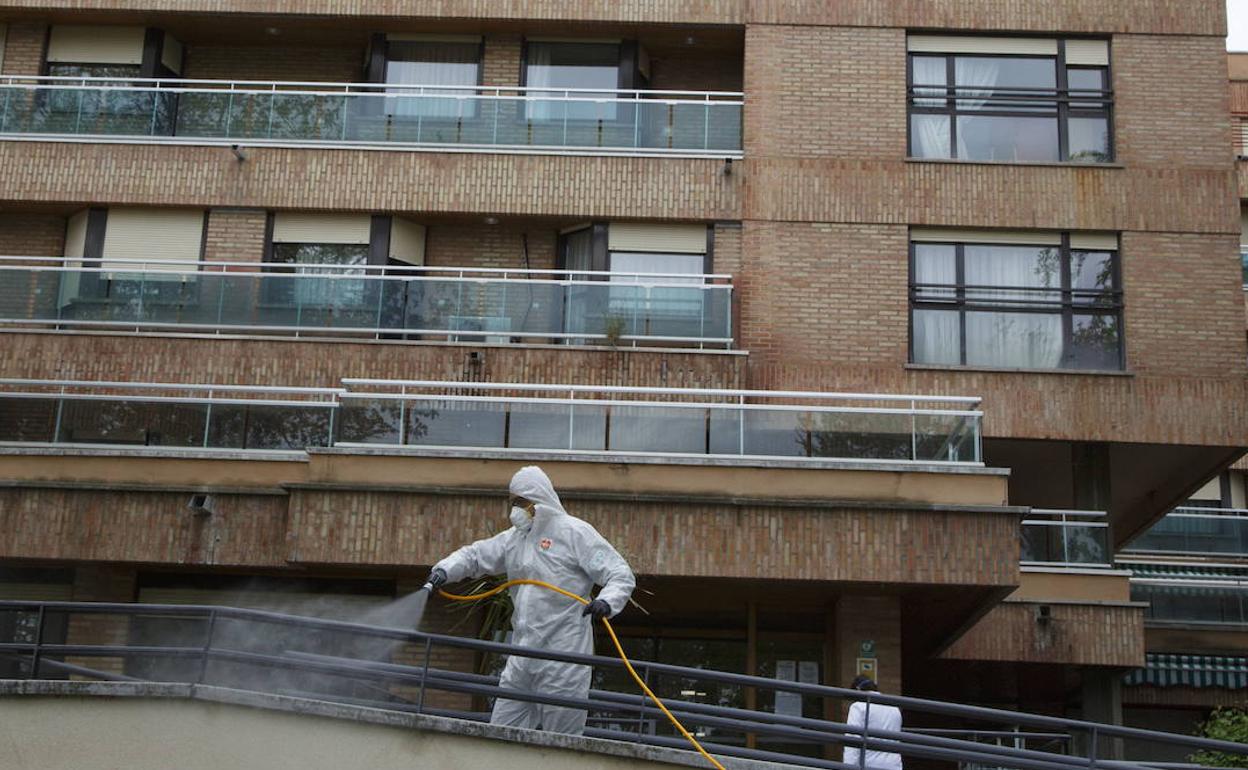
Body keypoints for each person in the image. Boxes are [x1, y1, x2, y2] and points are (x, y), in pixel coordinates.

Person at [425, 465, 635, 735]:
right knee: (501, 733)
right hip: (522, 656)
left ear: (539, 499)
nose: (516, 509)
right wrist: (444, 570)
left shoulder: (575, 533)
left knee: (562, 741)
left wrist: (607, 601)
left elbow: (619, 573)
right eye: (513, 502)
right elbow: (475, 556)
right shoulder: (514, 539)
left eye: (521, 501)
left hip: (563, 658)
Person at [843, 676, 903, 770]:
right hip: (894, 765)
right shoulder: (893, 707)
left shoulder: (858, 707)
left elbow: (853, 739)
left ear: (857, 690)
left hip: (869, 764)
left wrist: (848, 767)